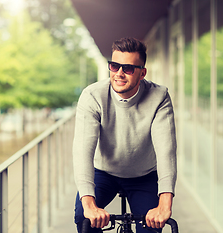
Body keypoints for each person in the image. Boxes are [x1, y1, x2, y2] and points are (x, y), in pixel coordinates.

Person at [73, 37, 177, 233]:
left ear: (142, 73)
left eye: (128, 68)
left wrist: (165, 202)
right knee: (83, 217)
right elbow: (82, 152)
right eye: (114, 66)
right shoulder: (92, 96)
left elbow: (167, 151)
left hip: (144, 174)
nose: (119, 73)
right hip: (103, 172)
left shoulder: (159, 97)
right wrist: (88, 204)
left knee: (151, 228)